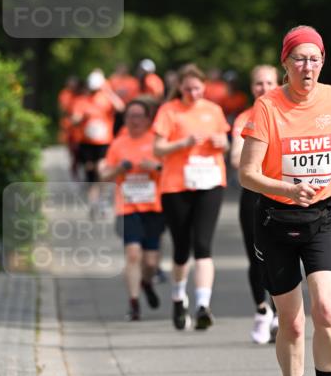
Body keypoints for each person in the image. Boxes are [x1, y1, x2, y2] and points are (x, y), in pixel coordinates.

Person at [239, 26, 331, 376]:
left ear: (322, 61)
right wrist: (287, 189)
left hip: (322, 217)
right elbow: (247, 175)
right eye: (298, 59)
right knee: (291, 324)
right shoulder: (267, 108)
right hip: (275, 221)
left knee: (327, 310)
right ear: (285, 64)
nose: (306, 66)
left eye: (313, 59)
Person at [153, 64, 230, 330]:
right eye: (188, 89)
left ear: (204, 86)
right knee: (181, 248)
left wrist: (222, 143)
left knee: (203, 245)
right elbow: (158, 148)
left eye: (197, 88)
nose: (193, 93)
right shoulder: (169, 110)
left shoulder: (213, 110)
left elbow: (226, 140)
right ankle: (177, 297)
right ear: (180, 88)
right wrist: (183, 143)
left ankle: (202, 305)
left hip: (210, 182)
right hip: (176, 185)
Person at [99, 99, 164, 321]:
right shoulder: (118, 144)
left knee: (151, 261)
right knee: (133, 254)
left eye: (138, 116)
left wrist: (155, 167)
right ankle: (134, 303)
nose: (134, 120)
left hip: (154, 206)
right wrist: (119, 168)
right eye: (130, 116)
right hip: (127, 207)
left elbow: (171, 172)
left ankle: (146, 281)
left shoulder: (156, 142)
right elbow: (104, 175)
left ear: (147, 119)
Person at [230, 65, 279, 344]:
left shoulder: (288, 114)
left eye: (269, 82)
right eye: (259, 84)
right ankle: (262, 311)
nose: (264, 88)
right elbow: (236, 158)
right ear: (252, 88)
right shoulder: (244, 118)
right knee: (255, 256)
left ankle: (279, 313)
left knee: (281, 255)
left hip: (282, 195)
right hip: (253, 194)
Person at [70, 71, 125, 214]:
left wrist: (108, 91)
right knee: (90, 172)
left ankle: (103, 200)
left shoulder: (106, 98)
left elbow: (121, 107)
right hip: (86, 142)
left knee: (102, 170)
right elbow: (74, 119)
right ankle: (93, 202)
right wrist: (82, 118)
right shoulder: (82, 101)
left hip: (104, 142)